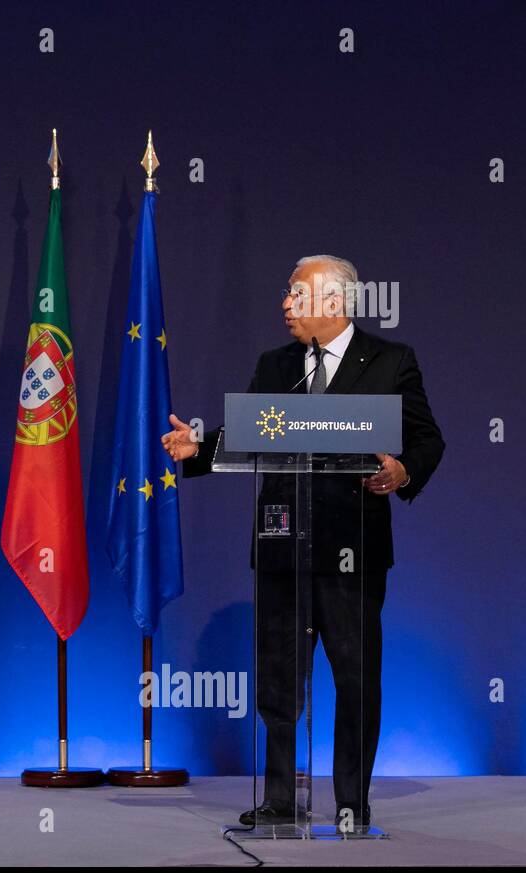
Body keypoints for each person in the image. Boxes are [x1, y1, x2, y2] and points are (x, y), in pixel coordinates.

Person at [161, 255, 443, 829]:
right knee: (279, 681)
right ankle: (283, 799)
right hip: (283, 548)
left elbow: (427, 439)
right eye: (286, 295)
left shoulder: (391, 362)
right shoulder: (276, 364)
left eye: (295, 294)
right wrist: (198, 450)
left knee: (355, 679)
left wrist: (403, 471)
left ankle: (350, 804)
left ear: (334, 304)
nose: (285, 305)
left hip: (352, 553)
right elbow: (248, 438)